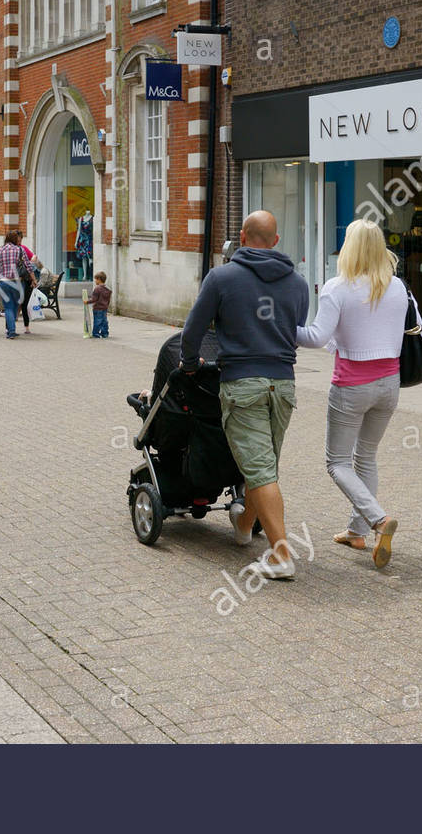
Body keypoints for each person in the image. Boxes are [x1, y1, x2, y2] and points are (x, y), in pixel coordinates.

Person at [180, 210, 308, 580]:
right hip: (283, 384)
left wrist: (189, 363)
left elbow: (193, 330)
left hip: (242, 383)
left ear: (241, 236)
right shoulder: (298, 284)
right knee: (262, 465)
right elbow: (295, 328)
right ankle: (242, 526)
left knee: (261, 469)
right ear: (276, 241)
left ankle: (281, 554)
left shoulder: (221, 278)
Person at [298, 219, 414, 569]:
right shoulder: (397, 287)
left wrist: (281, 329)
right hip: (389, 385)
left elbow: (316, 337)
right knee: (366, 457)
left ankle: (378, 520)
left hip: (351, 387)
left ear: (349, 248)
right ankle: (356, 532)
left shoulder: (337, 287)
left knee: (337, 462)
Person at [0, 230, 37, 339]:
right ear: (14, 239)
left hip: (3, 282)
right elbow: (28, 266)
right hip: (17, 283)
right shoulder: (20, 250)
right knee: (14, 305)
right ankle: (11, 330)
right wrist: (34, 279)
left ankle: (11, 330)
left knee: (8, 307)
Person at [87, 272, 112, 339]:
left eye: (95, 279)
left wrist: (87, 301)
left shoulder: (97, 289)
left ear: (99, 279)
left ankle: (96, 333)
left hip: (97, 308)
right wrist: (106, 305)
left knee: (97, 321)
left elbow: (94, 299)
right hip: (104, 308)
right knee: (104, 321)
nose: (95, 281)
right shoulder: (108, 289)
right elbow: (108, 300)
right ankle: (105, 333)